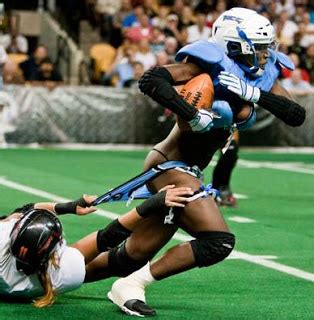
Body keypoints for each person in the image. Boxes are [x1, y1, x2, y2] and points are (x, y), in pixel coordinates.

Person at [100, 7, 305, 317]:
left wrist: (256, 95)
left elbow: (296, 115)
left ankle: (55, 271)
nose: (265, 55)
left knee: (132, 253)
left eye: (266, 47)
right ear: (236, 45)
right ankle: (131, 285)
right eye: (259, 47)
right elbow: (151, 80)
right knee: (218, 241)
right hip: (169, 164)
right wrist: (191, 114)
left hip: (191, 170)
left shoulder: (259, 75)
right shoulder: (209, 64)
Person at [0, 186, 192, 307]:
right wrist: (151, 205)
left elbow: (22, 212)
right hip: (41, 278)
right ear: (54, 256)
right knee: (122, 261)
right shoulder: (61, 275)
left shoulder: (3, 239)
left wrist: (69, 207)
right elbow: (106, 238)